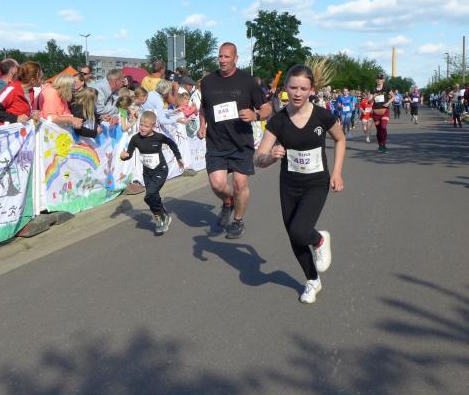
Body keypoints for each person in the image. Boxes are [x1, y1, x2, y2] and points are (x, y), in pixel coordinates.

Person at [255, 64, 345, 304]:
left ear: (311, 90)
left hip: (316, 183)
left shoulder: (322, 116)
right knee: (294, 236)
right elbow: (258, 158)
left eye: (303, 89)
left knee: (300, 230)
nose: (297, 93)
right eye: (293, 87)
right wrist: (271, 156)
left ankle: (320, 240)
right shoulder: (278, 121)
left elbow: (340, 139)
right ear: (285, 87)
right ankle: (312, 280)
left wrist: (337, 172)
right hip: (289, 185)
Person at [198, 42, 271, 239]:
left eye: (227, 57)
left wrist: (256, 115)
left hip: (241, 143)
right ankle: (228, 202)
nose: (222, 60)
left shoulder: (247, 81)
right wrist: (202, 125)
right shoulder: (208, 81)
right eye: (220, 56)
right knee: (217, 184)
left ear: (236, 58)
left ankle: (238, 221)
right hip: (216, 142)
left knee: (240, 184)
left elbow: (267, 108)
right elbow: (203, 108)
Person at [120, 110, 184, 234]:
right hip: (147, 173)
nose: (142, 128)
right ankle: (163, 215)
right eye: (141, 125)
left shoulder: (159, 137)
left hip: (160, 170)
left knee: (150, 195)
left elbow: (172, 144)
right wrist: (124, 156)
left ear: (153, 126)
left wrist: (178, 158)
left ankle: (159, 219)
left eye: (146, 126)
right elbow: (129, 154)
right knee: (150, 198)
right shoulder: (135, 139)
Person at [370, 75, 393, 153]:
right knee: (379, 130)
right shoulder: (373, 89)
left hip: (385, 111)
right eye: (378, 79)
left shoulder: (387, 88)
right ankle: (380, 145)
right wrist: (373, 97)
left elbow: (393, 97)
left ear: (383, 80)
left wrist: (388, 103)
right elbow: (369, 101)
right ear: (376, 80)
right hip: (376, 113)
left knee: (383, 127)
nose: (379, 80)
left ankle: (383, 144)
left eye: (380, 79)